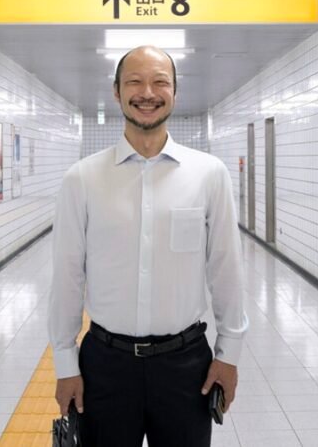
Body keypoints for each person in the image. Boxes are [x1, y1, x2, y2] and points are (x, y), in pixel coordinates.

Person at [49, 45, 249, 446]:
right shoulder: (82, 179)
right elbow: (67, 275)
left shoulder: (209, 175)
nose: (147, 93)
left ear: (175, 91)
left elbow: (226, 267)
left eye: (160, 82)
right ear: (116, 91)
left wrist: (228, 354)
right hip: (104, 365)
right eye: (134, 82)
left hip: (186, 365)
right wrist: (64, 362)